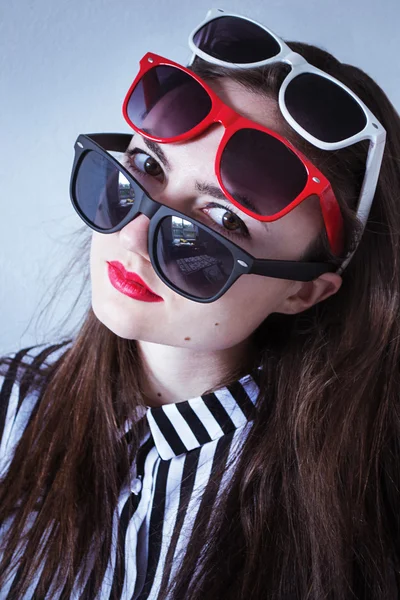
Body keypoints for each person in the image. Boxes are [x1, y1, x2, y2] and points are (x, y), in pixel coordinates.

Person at [1, 8, 400, 600]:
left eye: (222, 220)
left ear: (303, 290)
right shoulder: (9, 406)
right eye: (146, 166)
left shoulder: (368, 516)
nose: (133, 238)